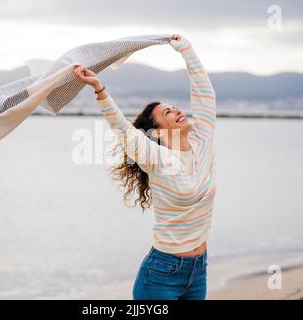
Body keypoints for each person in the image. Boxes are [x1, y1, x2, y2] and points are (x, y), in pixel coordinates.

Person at [73, 34, 217, 300]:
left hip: (198, 271)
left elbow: (205, 94)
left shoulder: (203, 142)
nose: (176, 111)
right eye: (167, 113)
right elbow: (123, 129)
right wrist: (99, 89)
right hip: (162, 276)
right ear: (158, 133)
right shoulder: (156, 159)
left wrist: (186, 50)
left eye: (174, 107)